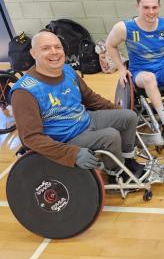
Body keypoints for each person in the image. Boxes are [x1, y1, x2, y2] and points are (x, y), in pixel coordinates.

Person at [10, 30, 142, 179]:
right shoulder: (24, 92)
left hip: (84, 119)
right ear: (34, 53)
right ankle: (117, 173)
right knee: (111, 136)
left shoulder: (67, 70)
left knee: (129, 116)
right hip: (65, 137)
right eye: (46, 48)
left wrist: (117, 110)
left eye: (58, 47)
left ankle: (127, 160)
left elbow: (91, 98)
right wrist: (72, 153)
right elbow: (30, 138)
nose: (54, 52)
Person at [106, 0, 164, 145]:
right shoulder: (124, 28)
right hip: (140, 72)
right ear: (137, 7)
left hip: (162, 69)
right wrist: (121, 68)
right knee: (149, 78)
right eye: (146, 7)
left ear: (159, 7)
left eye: (154, 7)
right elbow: (110, 45)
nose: (151, 11)